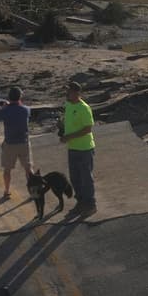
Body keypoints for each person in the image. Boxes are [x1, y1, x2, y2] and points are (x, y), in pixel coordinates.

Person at [0, 86, 33, 200]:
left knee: (7, 170)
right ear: (20, 97)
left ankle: (6, 191)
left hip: (10, 144)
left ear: (9, 97)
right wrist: (10, 105)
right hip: (24, 142)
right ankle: (33, 190)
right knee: (28, 168)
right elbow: (19, 108)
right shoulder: (26, 110)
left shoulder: (5, 111)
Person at [60, 81, 96, 216]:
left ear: (77, 93)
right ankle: (81, 203)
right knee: (75, 178)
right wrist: (63, 130)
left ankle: (91, 205)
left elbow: (88, 129)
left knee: (86, 178)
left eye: (68, 91)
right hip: (73, 148)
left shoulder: (84, 108)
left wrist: (69, 136)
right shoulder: (68, 105)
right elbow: (69, 122)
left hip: (85, 148)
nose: (66, 94)